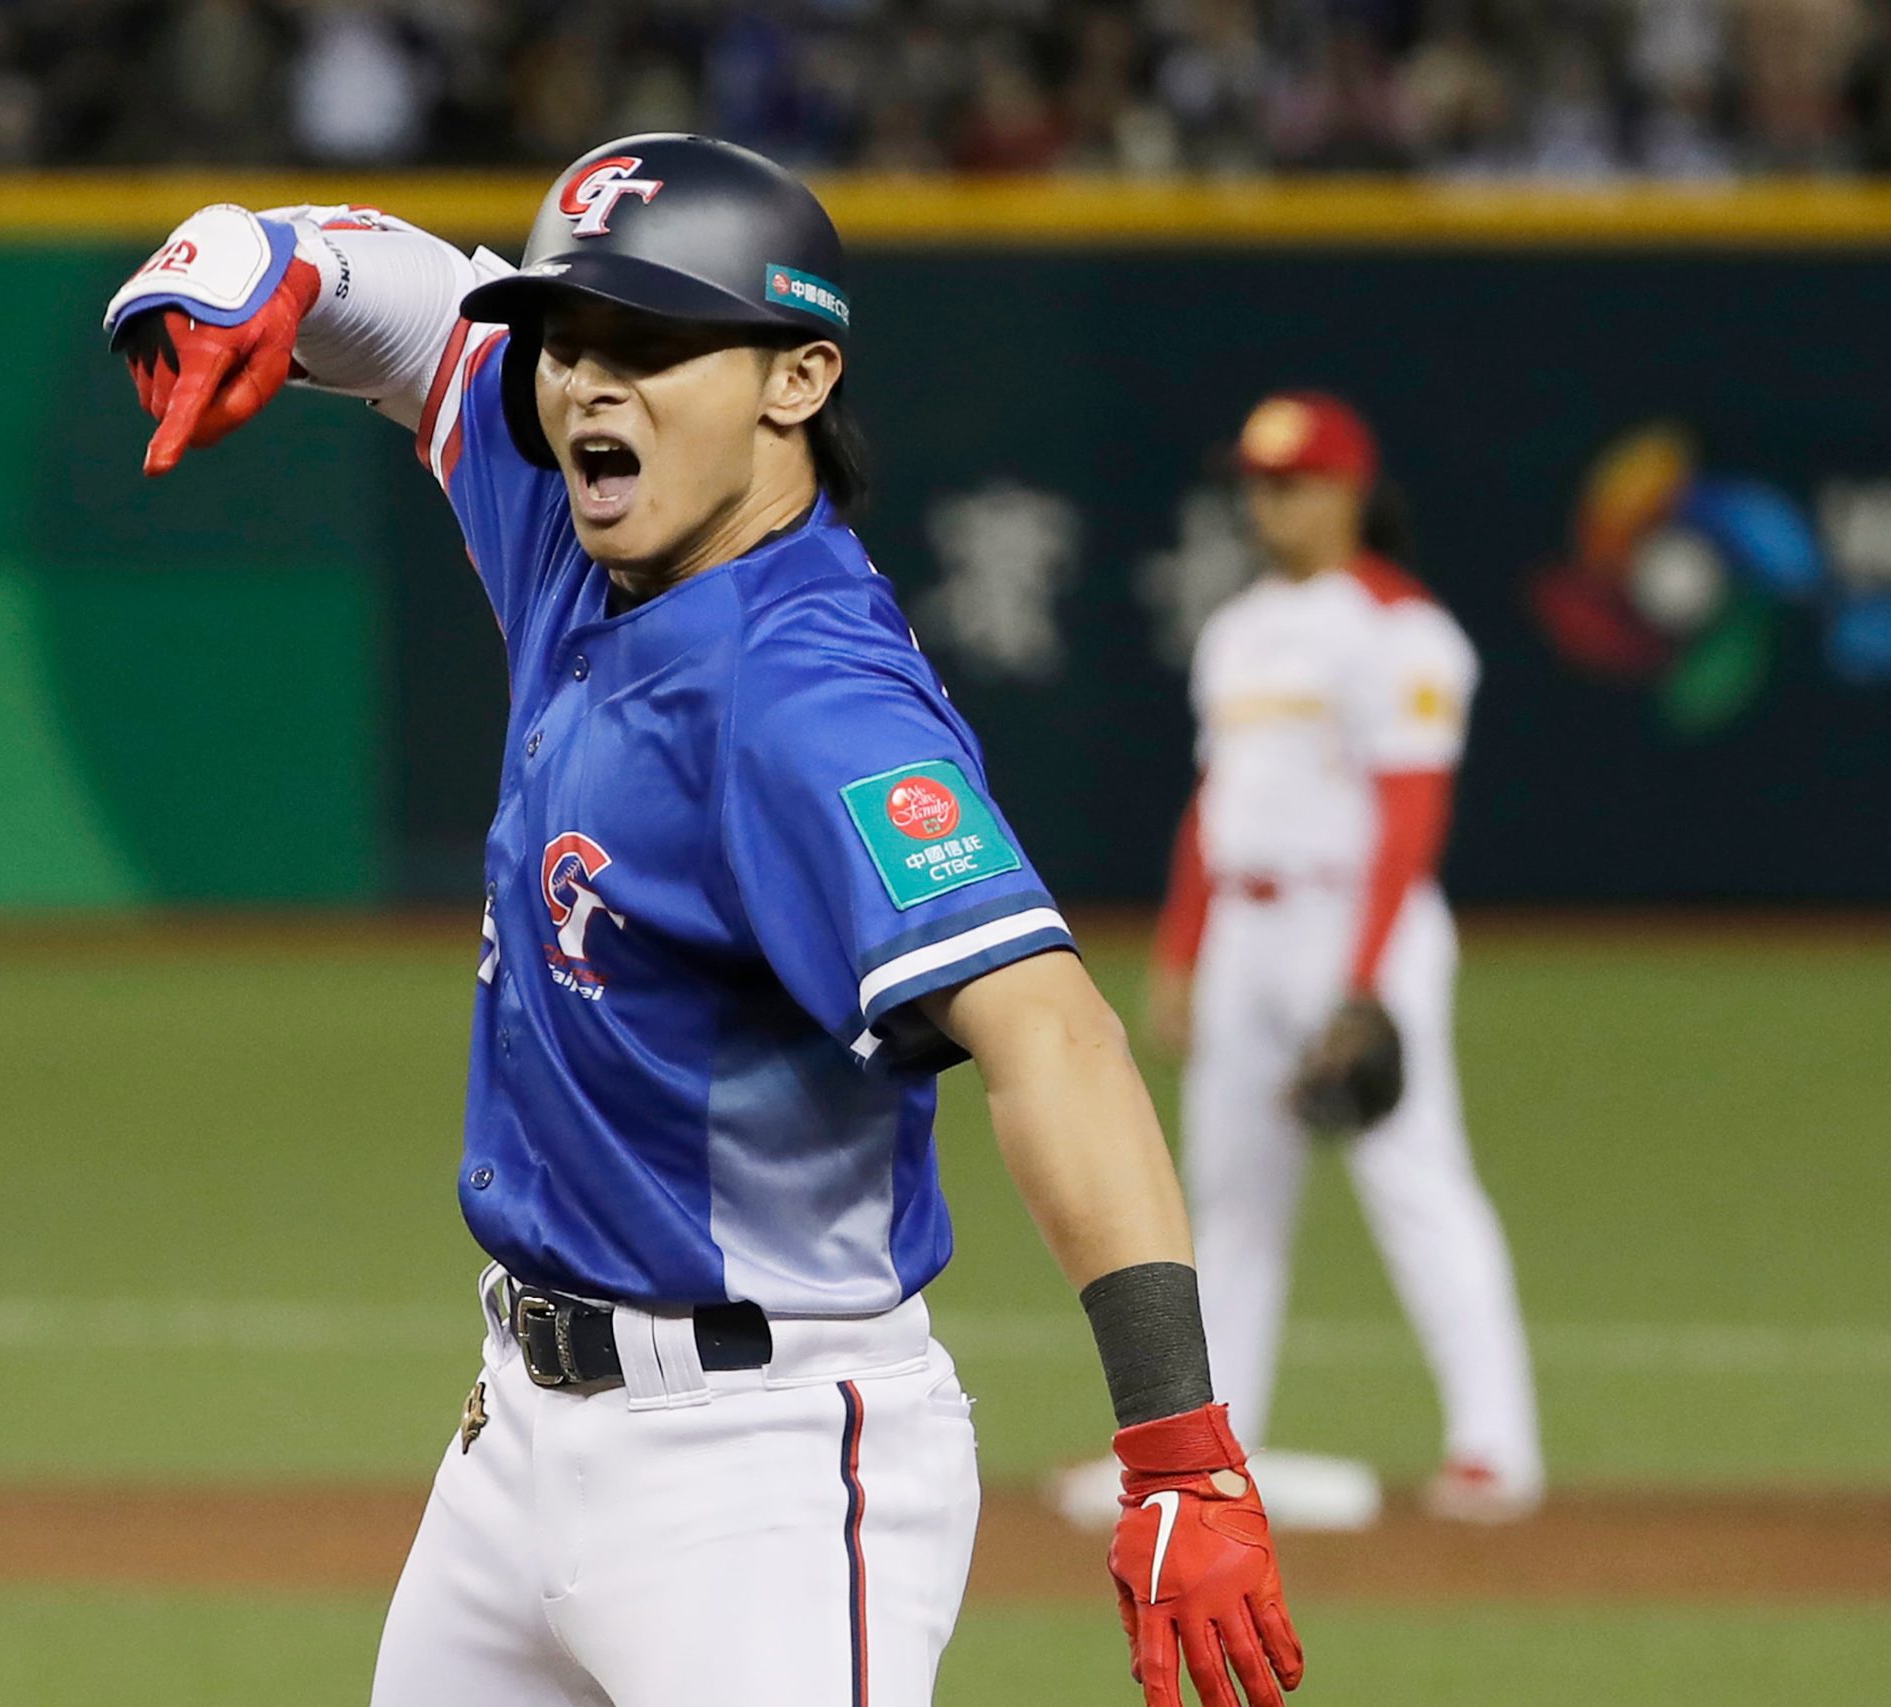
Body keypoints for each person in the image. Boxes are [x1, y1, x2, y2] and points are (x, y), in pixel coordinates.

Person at [101, 135, 1305, 1707]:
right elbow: (429, 316)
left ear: (797, 378)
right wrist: (267, 255)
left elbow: (1054, 1032)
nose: (590, 384)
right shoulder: (579, 538)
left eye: (654, 344)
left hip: (762, 1476)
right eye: (574, 343)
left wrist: (1181, 1451)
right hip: (514, 1439)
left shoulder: (813, 703)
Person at [1137, 391, 1544, 1525]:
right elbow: (1211, 805)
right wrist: (1180, 953)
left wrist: (1362, 983)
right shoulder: (1238, 629)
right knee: (1227, 1201)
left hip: (1355, 927)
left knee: (1413, 1178)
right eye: (1257, 483)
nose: (1269, 503)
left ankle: (1493, 1446)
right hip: (1244, 933)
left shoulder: (1400, 629)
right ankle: (1212, 1441)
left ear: (1349, 492)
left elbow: (1409, 817)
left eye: (1293, 481)